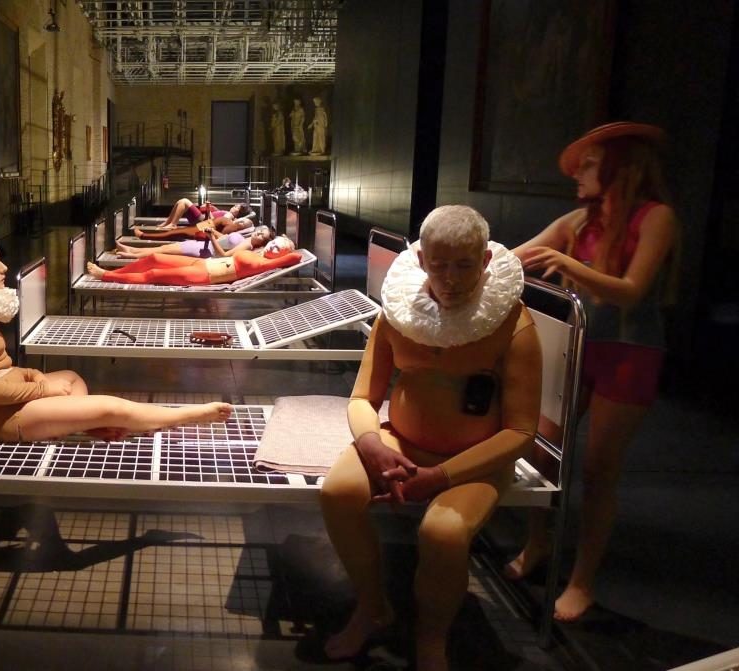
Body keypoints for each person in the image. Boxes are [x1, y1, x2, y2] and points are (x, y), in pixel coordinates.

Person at [320, 205, 541, 670]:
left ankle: (431, 638)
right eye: (439, 265)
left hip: (475, 460)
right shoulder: (399, 313)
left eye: (464, 265)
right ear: (421, 260)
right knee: (337, 493)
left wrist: (441, 476)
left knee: (443, 532)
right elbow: (362, 398)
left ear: (485, 261)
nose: (451, 279)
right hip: (399, 442)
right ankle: (373, 607)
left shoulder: (512, 322)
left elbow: (521, 432)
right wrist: (372, 445)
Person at [506, 121, 678, 622]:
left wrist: (567, 264)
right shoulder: (580, 220)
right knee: (540, 448)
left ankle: (582, 581)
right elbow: (513, 259)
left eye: (589, 164)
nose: (577, 174)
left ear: (621, 166)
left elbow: (631, 291)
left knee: (600, 471)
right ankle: (538, 543)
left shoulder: (656, 216)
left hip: (629, 353)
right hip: (576, 346)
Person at [0, 231, 233, 442]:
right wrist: (42, 389)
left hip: (13, 403)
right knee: (109, 407)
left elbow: (1, 370)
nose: (3, 269)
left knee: (72, 378)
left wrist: (32, 374)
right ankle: (188, 415)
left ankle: (84, 421)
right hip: (7, 420)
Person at [86, 236, 300, 286]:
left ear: (282, 255)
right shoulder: (258, 253)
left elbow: (296, 256)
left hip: (206, 275)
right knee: (154, 258)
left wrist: (288, 249)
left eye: (278, 248)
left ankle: (106, 275)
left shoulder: (265, 263)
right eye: (274, 242)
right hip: (204, 264)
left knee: (153, 275)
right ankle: (115, 272)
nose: (273, 246)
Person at [115, 225, 276, 259]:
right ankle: (131, 250)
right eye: (260, 230)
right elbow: (225, 240)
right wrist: (213, 232)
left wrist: (211, 237)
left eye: (262, 235)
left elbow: (225, 255)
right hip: (204, 246)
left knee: (163, 251)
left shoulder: (247, 245)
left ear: (261, 243)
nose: (258, 232)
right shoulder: (246, 238)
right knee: (164, 247)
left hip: (206, 251)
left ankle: (131, 255)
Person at [156, 198, 255, 230]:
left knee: (184, 201)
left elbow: (214, 222)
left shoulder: (230, 216)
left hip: (201, 220)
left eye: (237, 207)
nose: (234, 206)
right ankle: (168, 223)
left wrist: (208, 210)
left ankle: (172, 224)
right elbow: (217, 215)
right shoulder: (227, 213)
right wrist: (212, 208)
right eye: (236, 205)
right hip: (201, 218)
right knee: (180, 202)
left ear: (239, 213)